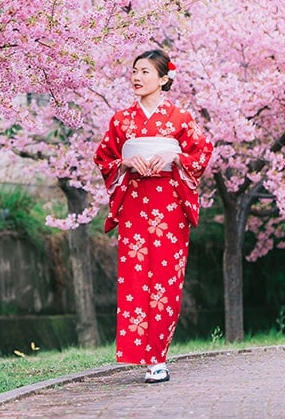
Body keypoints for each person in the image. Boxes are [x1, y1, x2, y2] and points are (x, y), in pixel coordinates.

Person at [94, 49, 212, 383]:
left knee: (165, 279)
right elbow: (104, 158)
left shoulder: (180, 118)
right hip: (134, 202)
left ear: (163, 79)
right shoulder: (121, 120)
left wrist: (174, 159)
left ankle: (157, 356)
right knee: (134, 277)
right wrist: (125, 163)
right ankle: (137, 352)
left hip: (169, 203)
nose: (136, 77)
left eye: (145, 71)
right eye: (134, 71)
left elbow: (201, 152)